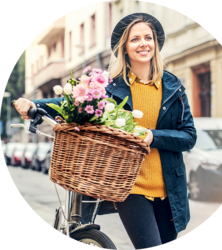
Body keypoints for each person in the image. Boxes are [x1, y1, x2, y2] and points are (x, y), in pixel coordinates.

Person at [14, 13, 197, 249]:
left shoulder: (174, 87)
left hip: (170, 190)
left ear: (155, 43)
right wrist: (34, 105)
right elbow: (73, 101)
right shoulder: (110, 87)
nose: (143, 43)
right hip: (131, 188)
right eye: (135, 39)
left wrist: (153, 136)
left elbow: (189, 136)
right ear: (124, 47)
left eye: (148, 38)